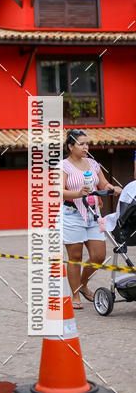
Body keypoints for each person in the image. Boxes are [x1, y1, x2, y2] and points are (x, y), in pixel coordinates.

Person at [62, 129, 120, 309]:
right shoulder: (63, 166)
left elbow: (102, 183)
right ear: (71, 146)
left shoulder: (93, 164)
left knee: (99, 256)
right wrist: (78, 193)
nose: (86, 147)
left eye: (87, 143)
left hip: (93, 214)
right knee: (75, 256)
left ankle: (82, 283)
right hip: (72, 214)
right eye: (81, 144)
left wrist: (112, 188)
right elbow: (58, 191)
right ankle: (76, 294)